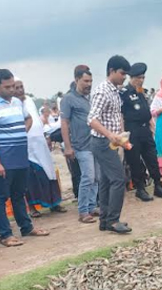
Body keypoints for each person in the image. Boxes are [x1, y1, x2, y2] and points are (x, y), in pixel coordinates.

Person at [0, 69, 49, 247]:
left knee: (19, 194)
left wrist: (20, 133)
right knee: (0, 197)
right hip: (4, 159)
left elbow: (29, 120)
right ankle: (5, 235)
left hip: (20, 157)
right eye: (7, 87)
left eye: (13, 85)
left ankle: (26, 227)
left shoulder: (18, 103)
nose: (12, 89)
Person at [87, 55, 134, 233]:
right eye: (122, 73)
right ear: (112, 71)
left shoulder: (114, 90)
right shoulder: (102, 91)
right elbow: (91, 119)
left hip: (110, 142)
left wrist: (120, 136)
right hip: (102, 142)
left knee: (107, 181)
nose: (124, 77)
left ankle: (105, 220)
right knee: (118, 179)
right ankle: (113, 220)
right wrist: (110, 135)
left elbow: (114, 116)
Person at [121, 63, 162, 202]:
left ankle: (158, 185)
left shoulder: (140, 91)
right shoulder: (124, 93)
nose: (141, 80)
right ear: (131, 77)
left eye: (143, 77)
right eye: (139, 77)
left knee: (152, 158)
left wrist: (152, 126)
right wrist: (122, 134)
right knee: (135, 161)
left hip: (145, 130)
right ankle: (140, 188)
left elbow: (146, 111)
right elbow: (121, 114)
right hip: (132, 130)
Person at [15, 79, 67, 216]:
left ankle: (54, 203)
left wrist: (46, 137)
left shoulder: (29, 101)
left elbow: (37, 121)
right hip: (25, 147)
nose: (20, 90)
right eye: (16, 87)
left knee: (49, 172)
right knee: (30, 177)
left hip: (40, 143)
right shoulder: (12, 105)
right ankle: (32, 208)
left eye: (22, 86)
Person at [61, 65, 98, 223]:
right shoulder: (68, 99)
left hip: (95, 143)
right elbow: (64, 123)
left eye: (90, 81)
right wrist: (68, 147)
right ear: (77, 80)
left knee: (96, 177)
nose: (89, 84)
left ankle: (92, 206)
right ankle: (83, 211)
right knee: (87, 177)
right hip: (80, 145)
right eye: (85, 81)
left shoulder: (90, 97)